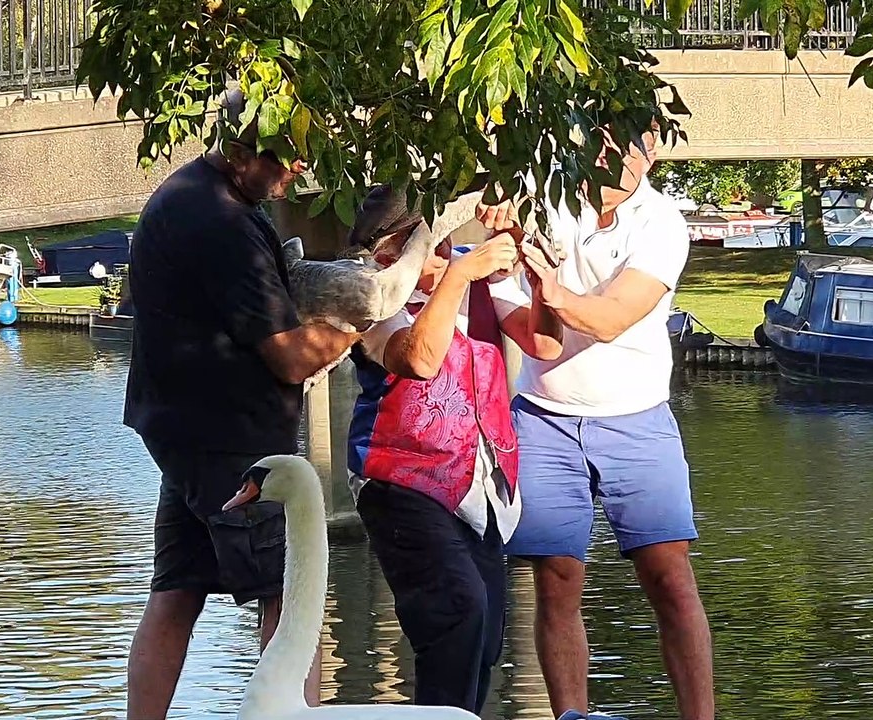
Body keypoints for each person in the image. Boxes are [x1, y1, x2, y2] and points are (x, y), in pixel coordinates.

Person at [121, 89, 360, 719]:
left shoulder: (197, 194)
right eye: (286, 156)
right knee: (290, 593)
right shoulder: (219, 222)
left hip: (185, 433)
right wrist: (365, 318)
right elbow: (289, 355)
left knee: (177, 588)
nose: (298, 169)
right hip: (231, 442)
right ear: (239, 149)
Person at [477, 128, 715, 720]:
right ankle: (571, 717)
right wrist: (512, 248)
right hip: (545, 419)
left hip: (637, 419)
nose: (619, 160)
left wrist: (551, 288)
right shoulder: (537, 208)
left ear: (654, 151)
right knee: (556, 577)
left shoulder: (661, 222)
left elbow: (611, 319)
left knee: (669, 575)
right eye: (606, 145)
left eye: (634, 147)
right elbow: (539, 343)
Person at [345, 186, 564, 715]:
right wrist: (460, 277)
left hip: (479, 488)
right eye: (430, 246)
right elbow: (418, 358)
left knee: (484, 635)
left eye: (445, 246)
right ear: (388, 254)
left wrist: (543, 285)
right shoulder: (371, 300)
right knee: (456, 611)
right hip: (401, 484)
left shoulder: (475, 285)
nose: (446, 255)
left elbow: (545, 343)